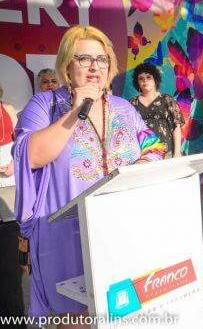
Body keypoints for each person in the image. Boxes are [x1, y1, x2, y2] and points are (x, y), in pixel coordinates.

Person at [13, 25, 164, 326]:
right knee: (76, 318)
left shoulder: (124, 108)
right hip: (66, 235)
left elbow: (154, 144)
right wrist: (77, 110)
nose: (95, 67)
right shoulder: (45, 105)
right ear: (68, 65)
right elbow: (30, 155)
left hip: (122, 229)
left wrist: (142, 163)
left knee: (124, 312)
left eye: (102, 59)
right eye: (84, 59)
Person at [0, 84, 25, 325]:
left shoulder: (7, 110)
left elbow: (23, 145)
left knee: (10, 275)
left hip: (7, 200)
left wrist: (13, 163)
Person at [130, 62, 184, 158]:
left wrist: (177, 153)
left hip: (167, 154)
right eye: (141, 78)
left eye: (148, 77)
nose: (145, 81)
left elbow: (176, 127)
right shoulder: (132, 104)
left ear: (155, 79)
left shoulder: (167, 100)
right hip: (142, 157)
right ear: (137, 82)